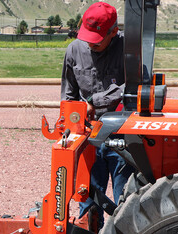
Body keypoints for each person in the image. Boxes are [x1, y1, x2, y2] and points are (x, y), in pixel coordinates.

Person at [60, 2, 135, 230]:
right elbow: (68, 97)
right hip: (88, 138)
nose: (91, 42)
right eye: (88, 37)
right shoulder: (74, 50)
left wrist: (94, 102)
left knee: (127, 201)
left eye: (97, 39)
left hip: (122, 137)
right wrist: (68, 124)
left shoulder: (128, 49)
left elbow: (131, 87)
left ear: (114, 31)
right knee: (87, 201)